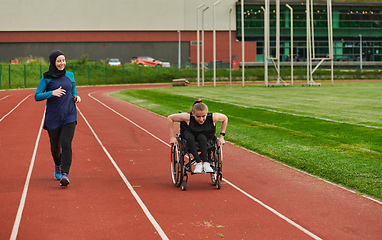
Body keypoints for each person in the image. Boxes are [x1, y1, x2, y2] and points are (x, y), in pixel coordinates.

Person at [35, 49, 81, 187]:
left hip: (69, 115)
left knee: (66, 143)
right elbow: (37, 96)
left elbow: (73, 89)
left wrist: (76, 97)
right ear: (53, 62)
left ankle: (65, 175)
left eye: (63, 60)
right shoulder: (46, 78)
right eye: (59, 61)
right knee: (55, 147)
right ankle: (58, 165)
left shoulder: (70, 75)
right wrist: (51, 93)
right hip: (53, 117)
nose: (62, 63)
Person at [167, 100, 228, 173]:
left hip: (205, 136)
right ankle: (198, 163)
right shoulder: (188, 117)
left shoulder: (213, 117)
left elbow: (225, 118)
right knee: (190, 137)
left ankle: (206, 163)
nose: (201, 119)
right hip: (191, 135)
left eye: (203, 116)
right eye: (198, 117)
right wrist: (172, 137)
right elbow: (170, 118)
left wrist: (221, 137)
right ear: (193, 114)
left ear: (207, 113)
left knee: (202, 137)